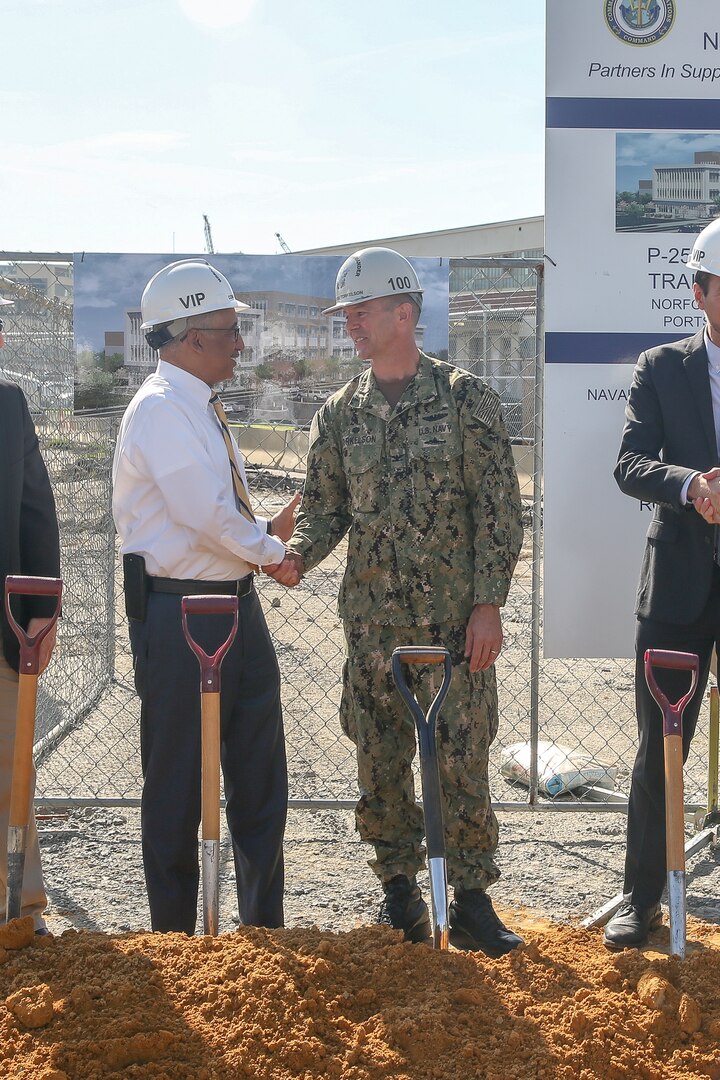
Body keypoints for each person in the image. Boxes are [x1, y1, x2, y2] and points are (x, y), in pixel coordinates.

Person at [274, 247, 524, 956]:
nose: (349, 325)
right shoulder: (338, 414)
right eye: (345, 315)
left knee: (461, 761)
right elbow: (325, 509)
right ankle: (399, 894)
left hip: (453, 628)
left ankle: (472, 900)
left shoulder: (465, 398)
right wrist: (296, 557)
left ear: (403, 313)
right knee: (379, 762)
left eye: (360, 312)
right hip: (374, 632)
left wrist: (488, 605)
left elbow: (500, 511)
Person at [112, 259, 300, 934]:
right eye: (228, 331)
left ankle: (259, 936)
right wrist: (273, 552)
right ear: (191, 338)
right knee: (177, 785)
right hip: (179, 612)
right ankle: (173, 941)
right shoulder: (162, 412)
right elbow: (204, 516)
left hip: (231, 603)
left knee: (258, 774)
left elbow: (219, 516)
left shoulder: (196, 408)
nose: (239, 344)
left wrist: (261, 538)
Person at [606, 216, 720, 948]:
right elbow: (629, 464)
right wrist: (690, 485)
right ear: (700, 291)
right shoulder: (661, 368)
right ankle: (639, 896)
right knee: (661, 746)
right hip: (679, 586)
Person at [0, 294, 61, 935]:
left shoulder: (9, 407)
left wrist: (41, 612)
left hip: (1, 630)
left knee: (9, 772)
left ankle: (18, 913)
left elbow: (35, 512)